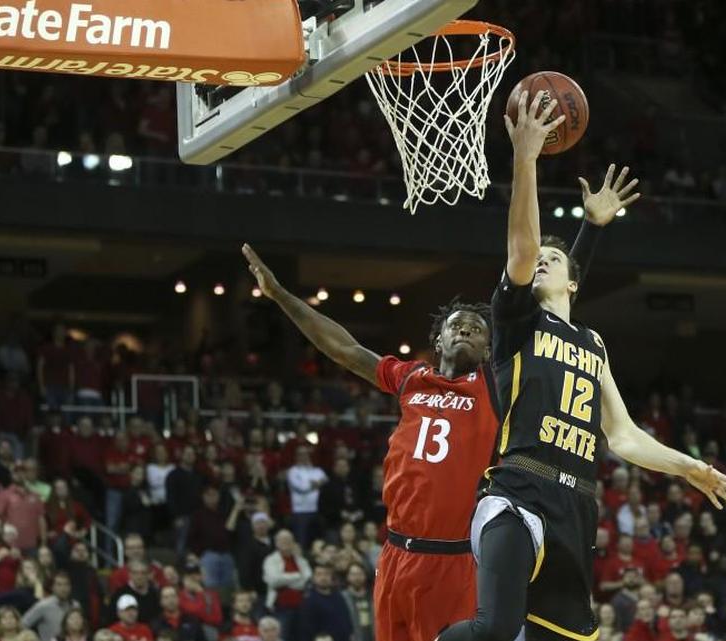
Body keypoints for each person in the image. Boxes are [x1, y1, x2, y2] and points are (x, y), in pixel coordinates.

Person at [242, 178, 610, 641]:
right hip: (396, 554)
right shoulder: (412, 378)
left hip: (455, 559)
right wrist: (281, 297)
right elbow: (345, 349)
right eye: (458, 326)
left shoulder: (496, 385)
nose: (468, 333)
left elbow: (556, 300)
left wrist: (586, 240)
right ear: (438, 339)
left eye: (478, 329)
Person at [436, 90, 726, 641]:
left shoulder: (592, 343)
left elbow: (622, 436)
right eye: (540, 260)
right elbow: (523, 250)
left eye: (557, 259)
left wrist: (687, 466)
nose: (543, 260)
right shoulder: (516, 323)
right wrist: (525, 158)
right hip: (517, 495)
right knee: (495, 628)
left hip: (575, 507)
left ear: (574, 279)